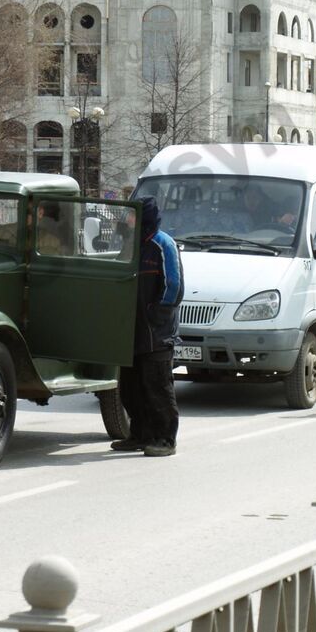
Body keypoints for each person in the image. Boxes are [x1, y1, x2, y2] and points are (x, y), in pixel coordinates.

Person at [111, 196, 183, 457]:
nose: (128, 220)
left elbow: (173, 286)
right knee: (131, 388)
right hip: (132, 331)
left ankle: (165, 439)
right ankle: (139, 435)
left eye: (133, 215)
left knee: (158, 388)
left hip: (157, 333)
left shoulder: (163, 244)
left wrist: (156, 314)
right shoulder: (131, 244)